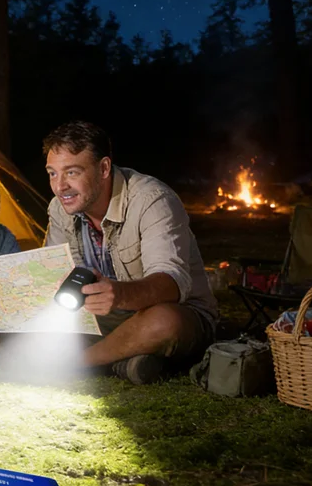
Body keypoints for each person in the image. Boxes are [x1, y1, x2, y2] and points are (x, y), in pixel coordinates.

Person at [43, 120, 218, 384]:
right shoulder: (59, 208)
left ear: (103, 168)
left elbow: (171, 283)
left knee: (164, 322)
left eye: (72, 172)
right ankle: (125, 362)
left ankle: (79, 363)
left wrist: (120, 295)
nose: (60, 187)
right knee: (34, 318)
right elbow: (55, 273)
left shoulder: (152, 199)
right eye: (52, 174)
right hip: (103, 318)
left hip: (174, 313)